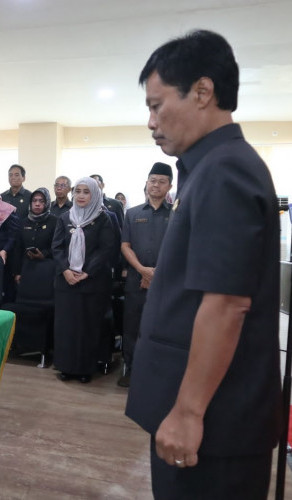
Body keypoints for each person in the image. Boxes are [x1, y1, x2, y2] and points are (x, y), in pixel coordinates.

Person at [125, 30, 282, 499]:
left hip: (214, 421)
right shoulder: (209, 168)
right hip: (205, 412)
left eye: (156, 105)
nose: (151, 120)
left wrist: (189, 412)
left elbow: (227, 302)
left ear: (202, 91)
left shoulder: (225, 170)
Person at [51, 177, 115, 383]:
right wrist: (66, 270)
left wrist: (87, 271)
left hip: (92, 283)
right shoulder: (64, 217)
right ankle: (66, 367)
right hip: (66, 282)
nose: (80, 195)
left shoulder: (103, 219)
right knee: (67, 326)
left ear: (95, 194)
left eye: (86, 192)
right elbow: (57, 247)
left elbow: (106, 249)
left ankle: (85, 368)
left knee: (87, 327)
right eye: (77, 191)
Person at [117, 162, 172, 388]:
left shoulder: (178, 214)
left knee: (161, 327)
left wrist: (157, 273)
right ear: (146, 183)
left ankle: (157, 371)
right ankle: (130, 368)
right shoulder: (132, 213)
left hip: (166, 282)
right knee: (132, 326)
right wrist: (141, 270)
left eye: (161, 181)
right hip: (135, 281)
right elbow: (125, 245)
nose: (155, 185)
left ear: (170, 186)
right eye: (152, 180)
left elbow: (180, 247)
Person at [15, 187, 57, 283]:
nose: (37, 204)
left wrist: (44, 254)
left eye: (41, 201)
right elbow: (18, 248)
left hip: (47, 268)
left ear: (47, 203)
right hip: (26, 268)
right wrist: (17, 272)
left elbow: (57, 246)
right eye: (34, 201)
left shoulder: (55, 221)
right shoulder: (23, 222)